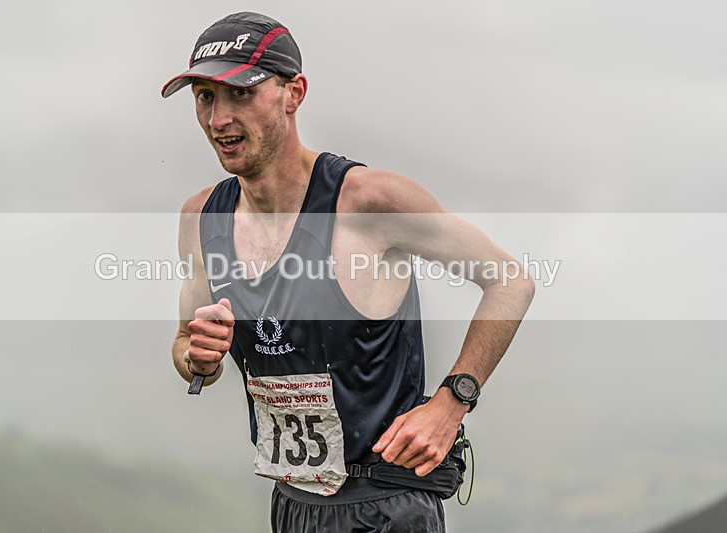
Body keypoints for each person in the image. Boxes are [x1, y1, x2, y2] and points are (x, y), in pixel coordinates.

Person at [162, 11, 534, 532]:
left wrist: (453, 402)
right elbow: (187, 346)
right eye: (204, 97)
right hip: (292, 502)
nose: (218, 118)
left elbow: (509, 280)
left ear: (294, 93)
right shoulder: (202, 218)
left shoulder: (368, 202)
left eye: (239, 94)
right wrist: (197, 357)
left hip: (387, 505)